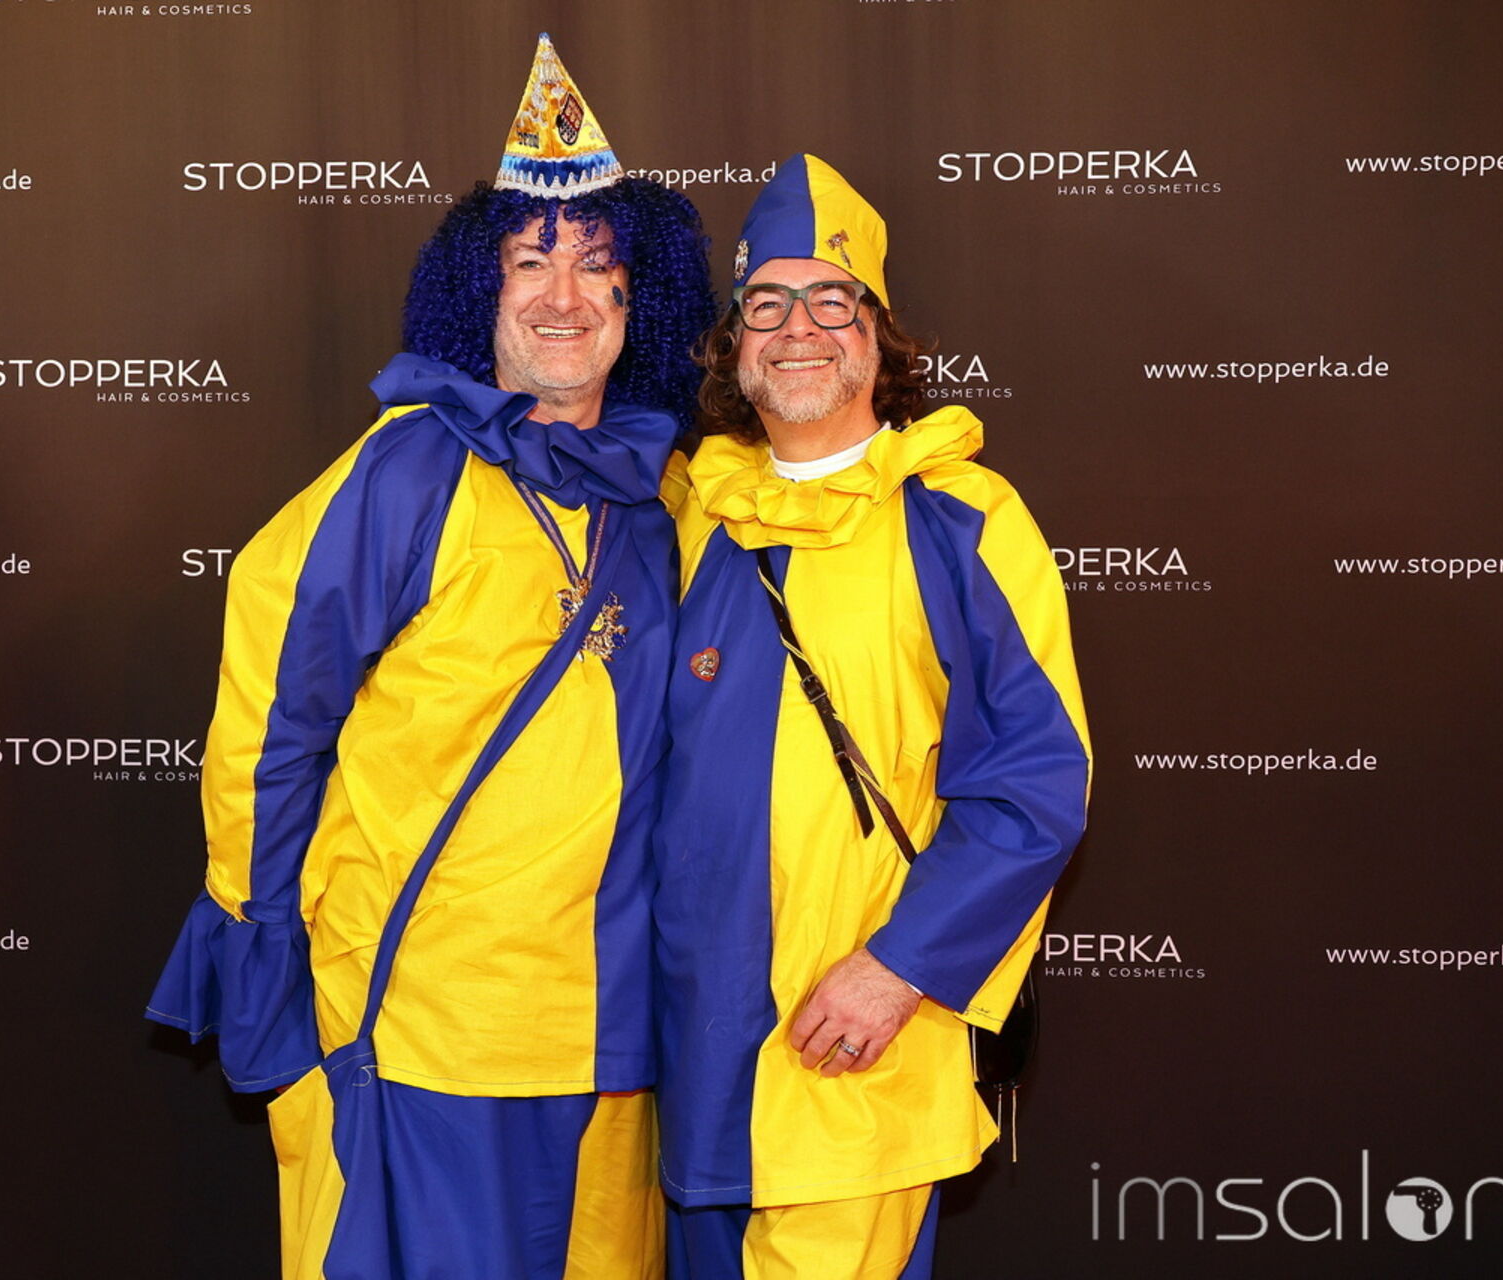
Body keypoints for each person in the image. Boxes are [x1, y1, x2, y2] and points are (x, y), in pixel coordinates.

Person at [145, 36, 713, 1279]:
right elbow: (271, 716)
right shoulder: (407, 468)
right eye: (530, 261)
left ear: (640, 306)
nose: (564, 295)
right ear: (479, 294)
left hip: (613, 1042)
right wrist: (259, 933)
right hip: (423, 1025)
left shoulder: (669, 495)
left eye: (600, 267)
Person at [653, 154, 1091, 1278]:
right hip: (688, 1058)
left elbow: (1036, 781)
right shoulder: (689, 514)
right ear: (733, 343)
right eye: (766, 303)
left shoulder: (960, 519)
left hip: (850, 1041)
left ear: (877, 334)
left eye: (830, 299)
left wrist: (902, 965)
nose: (797, 327)